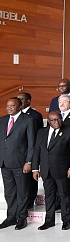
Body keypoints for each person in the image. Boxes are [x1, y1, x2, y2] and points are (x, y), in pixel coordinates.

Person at [32, 111, 70, 230]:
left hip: (62, 170)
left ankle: (66, 221)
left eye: (58, 119)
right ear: (48, 121)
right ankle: (49, 221)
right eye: (53, 120)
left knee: (64, 196)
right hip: (46, 170)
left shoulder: (69, 130)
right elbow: (37, 151)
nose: (56, 122)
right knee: (49, 196)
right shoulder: (41, 132)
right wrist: (35, 168)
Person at [0, 98, 35, 230]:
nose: (9, 108)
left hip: (21, 163)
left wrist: (29, 161)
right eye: (7, 105)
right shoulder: (2, 120)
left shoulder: (28, 120)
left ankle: (21, 217)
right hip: (5, 162)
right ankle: (11, 217)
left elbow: (31, 142)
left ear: (20, 106)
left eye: (12, 105)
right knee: (9, 193)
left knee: (22, 192)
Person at [16, 92, 43, 209]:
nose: (19, 102)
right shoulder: (16, 115)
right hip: (18, 152)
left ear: (28, 101)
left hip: (31, 150)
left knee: (31, 179)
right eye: (18, 100)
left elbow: (38, 134)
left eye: (22, 99)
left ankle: (30, 200)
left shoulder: (35, 115)